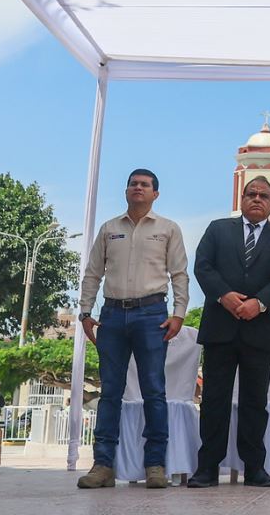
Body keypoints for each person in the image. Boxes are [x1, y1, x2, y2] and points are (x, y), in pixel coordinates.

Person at [75, 169, 190, 490]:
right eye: (133, 184)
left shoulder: (168, 229)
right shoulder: (109, 229)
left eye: (145, 185)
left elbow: (180, 274)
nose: (138, 188)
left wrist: (179, 313)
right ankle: (102, 465)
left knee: (154, 390)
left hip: (152, 314)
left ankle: (155, 464)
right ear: (126, 191)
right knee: (109, 392)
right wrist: (85, 311)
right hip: (111, 315)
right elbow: (93, 273)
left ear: (155, 194)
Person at [187, 176, 270, 488]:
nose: (257, 199)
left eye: (264, 195)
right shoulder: (217, 230)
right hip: (220, 328)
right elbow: (203, 266)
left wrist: (260, 303)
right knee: (213, 401)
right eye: (251, 194)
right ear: (242, 197)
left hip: (258, 331)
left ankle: (255, 468)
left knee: (254, 403)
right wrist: (224, 295)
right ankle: (207, 468)